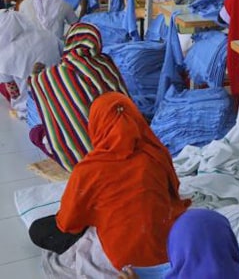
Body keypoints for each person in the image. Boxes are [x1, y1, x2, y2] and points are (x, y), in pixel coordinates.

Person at [28, 92, 191, 272]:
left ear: (96, 124)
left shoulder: (90, 169)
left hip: (126, 259)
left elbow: (68, 223)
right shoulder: (156, 153)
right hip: (168, 246)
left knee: (39, 229)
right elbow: (173, 191)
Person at [28, 23, 129, 171]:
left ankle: (73, 154)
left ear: (69, 42)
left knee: (36, 133)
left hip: (85, 157)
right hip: (124, 143)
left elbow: (36, 84)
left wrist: (35, 75)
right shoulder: (106, 64)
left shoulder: (55, 74)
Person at [0, 9, 61, 119]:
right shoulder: (47, 34)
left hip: (33, 104)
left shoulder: (4, 55)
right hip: (60, 89)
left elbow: (14, 93)